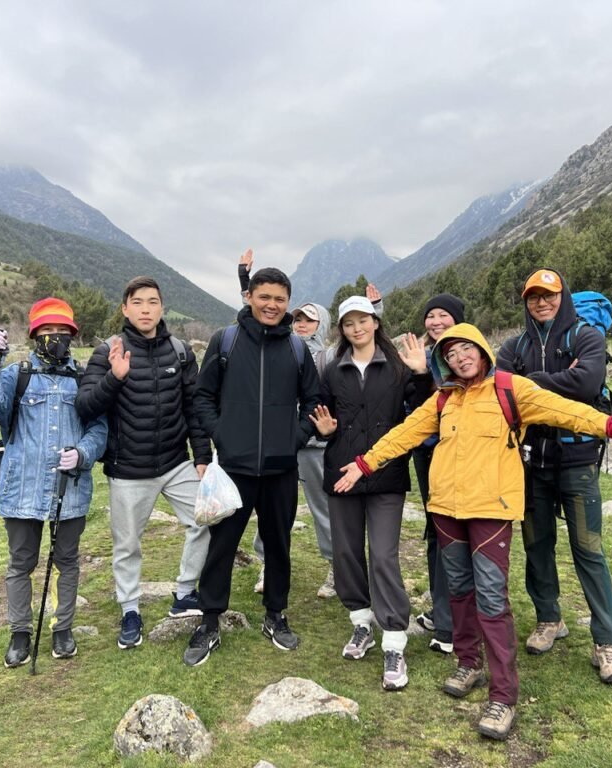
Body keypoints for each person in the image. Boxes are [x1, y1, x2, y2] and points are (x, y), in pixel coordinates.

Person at [334, 323, 612, 741]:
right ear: (443, 364)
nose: (459, 358)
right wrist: (365, 463)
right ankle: (468, 663)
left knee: (491, 598)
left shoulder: (510, 388)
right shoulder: (442, 400)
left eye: (466, 349)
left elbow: (564, 409)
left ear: (482, 351)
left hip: (491, 511)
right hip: (446, 511)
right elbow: (404, 434)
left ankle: (503, 696)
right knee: (459, 591)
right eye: (450, 355)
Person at [183, 265, 320, 666]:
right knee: (221, 545)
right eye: (265, 297)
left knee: (278, 545)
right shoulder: (225, 342)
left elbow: (313, 402)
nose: (272, 305)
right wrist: (220, 438)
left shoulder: (297, 350)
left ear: (288, 303)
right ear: (250, 298)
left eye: (280, 299)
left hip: (281, 472)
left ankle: (275, 615)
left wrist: (294, 439)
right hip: (234, 470)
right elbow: (202, 398)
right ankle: (210, 621)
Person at [496, 268, 612, 684]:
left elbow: (588, 382)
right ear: (525, 302)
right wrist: (558, 382)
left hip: (577, 460)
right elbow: (502, 394)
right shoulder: (513, 345)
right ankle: (548, 618)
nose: (541, 303)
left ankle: (607, 642)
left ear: (562, 296)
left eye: (549, 295)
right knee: (536, 544)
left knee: (588, 548)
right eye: (533, 297)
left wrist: (530, 382)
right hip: (531, 463)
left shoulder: (586, 336)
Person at [75, 276, 212, 650]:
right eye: (138, 302)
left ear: (162, 308)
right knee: (127, 545)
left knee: (207, 517)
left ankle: (185, 592)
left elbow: (194, 408)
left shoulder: (180, 351)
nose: (146, 309)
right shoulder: (107, 352)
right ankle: (130, 610)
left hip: (174, 462)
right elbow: (85, 407)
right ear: (125, 308)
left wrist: (202, 456)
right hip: (128, 469)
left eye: (153, 302)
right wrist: (115, 379)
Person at [236, 250, 382, 600]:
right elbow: (250, 318)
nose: (302, 324)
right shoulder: (279, 346)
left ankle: (336, 569)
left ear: (324, 324)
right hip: (278, 446)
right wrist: (245, 281)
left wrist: (376, 313)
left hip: (317, 447)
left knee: (323, 509)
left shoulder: (332, 355)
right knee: (270, 511)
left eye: (310, 320)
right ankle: (268, 564)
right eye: (298, 318)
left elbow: (365, 342)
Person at [0, 297, 107, 667]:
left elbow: (99, 428)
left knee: (68, 560)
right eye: (48, 331)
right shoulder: (16, 375)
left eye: (63, 332)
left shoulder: (83, 379)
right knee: (21, 562)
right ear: (34, 335)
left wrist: (82, 453)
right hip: (22, 488)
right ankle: (20, 633)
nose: (56, 338)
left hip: (71, 486)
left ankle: (63, 630)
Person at [309, 296, 431, 691]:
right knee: (345, 553)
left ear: (376, 323)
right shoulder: (332, 369)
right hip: (342, 472)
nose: (356, 328)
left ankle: (393, 639)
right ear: (342, 329)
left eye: (363, 321)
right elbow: (318, 412)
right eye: (349, 323)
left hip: (387, 474)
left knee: (382, 554)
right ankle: (361, 623)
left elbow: (427, 413)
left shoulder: (398, 368)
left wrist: (424, 375)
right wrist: (321, 430)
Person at [411, 293, 466, 655]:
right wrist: (416, 374)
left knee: (450, 534)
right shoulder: (424, 354)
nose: (435, 322)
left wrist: (422, 373)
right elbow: (415, 408)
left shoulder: (463, 354)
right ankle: (439, 610)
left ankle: (450, 626)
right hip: (425, 451)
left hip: (454, 453)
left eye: (443, 315)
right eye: (430, 316)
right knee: (434, 532)